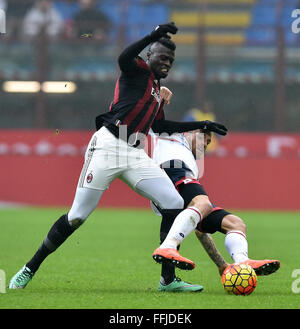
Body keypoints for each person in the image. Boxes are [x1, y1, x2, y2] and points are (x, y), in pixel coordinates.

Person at [9, 22, 228, 289]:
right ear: (149, 55)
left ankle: (167, 280)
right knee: (77, 216)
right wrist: (152, 35)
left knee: (173, 201)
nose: (167, 62)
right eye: (162, 56)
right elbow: (123, 57)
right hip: (108, 146)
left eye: (171, 59)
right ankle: (29, 269)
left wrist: (201, 126)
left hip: (134, 153)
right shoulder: (136, 71)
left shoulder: (157, 89)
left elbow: (158, 127)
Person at [150, 93, 280, 291]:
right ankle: (169, 246)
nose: (205, 145)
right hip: (171, 171)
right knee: (203, 204)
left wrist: (221, 265)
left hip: (181, 177)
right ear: (190, 132)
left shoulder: (192, 164)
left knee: (235, 223)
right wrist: (160, 93)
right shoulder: (172, 135)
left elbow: (199, 230)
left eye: (209, 143)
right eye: (204, 138)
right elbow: (156, 119)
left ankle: (241, 262)